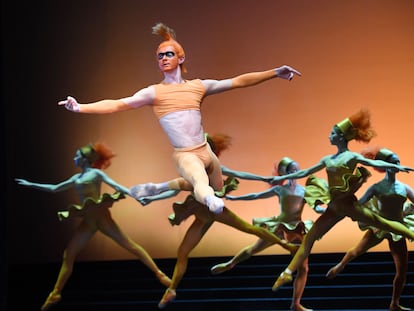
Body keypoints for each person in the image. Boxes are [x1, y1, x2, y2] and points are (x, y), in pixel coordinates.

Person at [58, 22, 301, 215]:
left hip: (206, 150)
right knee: (202, 187)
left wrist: (275, 73)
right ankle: (209, 201)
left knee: (216, 188)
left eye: (168, 54)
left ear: (180, 58)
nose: (163, 58)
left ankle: (160, 187)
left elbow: (237, 81)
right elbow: (119, 104)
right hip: (185, 154)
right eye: (159, 56)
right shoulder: (153, 92)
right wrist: (80, 108)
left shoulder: (198, 86)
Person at [136, 134, 297, 309]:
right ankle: (172, 289)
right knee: (182, 251)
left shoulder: (214, 167)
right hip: (201, 214)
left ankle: (286, 246)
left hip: (215, 211)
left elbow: (239, 174)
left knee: (249, 229)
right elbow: (174, 189)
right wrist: (153, 198)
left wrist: (263, 179)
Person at [264, 109, 414, 292]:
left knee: (383, 223)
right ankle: (286, 273)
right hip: (334, 206)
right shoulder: (327, 159)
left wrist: (394, 165)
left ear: (342, 137)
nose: (330, 136)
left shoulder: (352, 156)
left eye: (333, 133)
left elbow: (375, 164)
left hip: (349, 204)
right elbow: (305, 172)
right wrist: (282, 179)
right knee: (309, 239)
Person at [15, 142, 171, 311]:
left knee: (129, 245)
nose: (74, 158)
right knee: (69, 254)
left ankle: (160, 274)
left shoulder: (96, 174)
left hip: (102, 218)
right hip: (88, 222)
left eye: (77, 156)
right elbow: (55, 188)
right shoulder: (77, 178)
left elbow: (117, 186)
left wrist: (136, 196)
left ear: (84, 159)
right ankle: (56, 293)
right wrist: (31, 184)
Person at [209, 157, 326, 311]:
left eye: (297, 170)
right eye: (292, 170)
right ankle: (230, 264)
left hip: (296, 230)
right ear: (285, 173)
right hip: (279, 227)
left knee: (303, 268)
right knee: (254, 249)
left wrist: (325, 211)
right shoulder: (280, 189)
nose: (295, 173)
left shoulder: (304, 191)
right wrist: (235, 198)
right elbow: (257, 195)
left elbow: (316, 207)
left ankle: (295, 304)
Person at [326, 146, 414, 311]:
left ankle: (394, 303)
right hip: (379, 225)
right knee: (357, 250)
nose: (397, 163)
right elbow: (359, 204)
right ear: (385, 165)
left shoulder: (404, 188)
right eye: (393, 161)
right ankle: (341, 265)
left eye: (397, 160)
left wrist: (408, 210)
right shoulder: (377, 187)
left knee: (402, 271)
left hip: (398, 228)